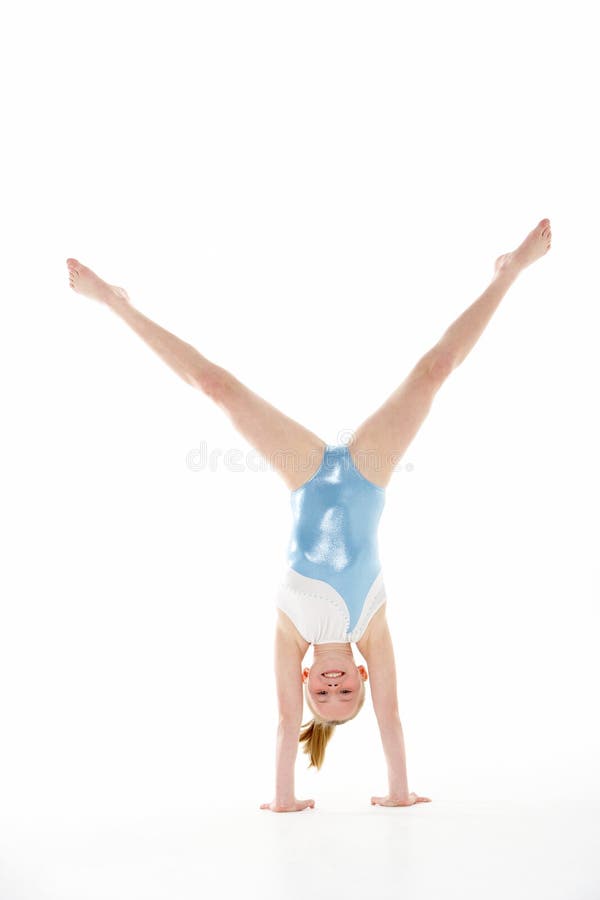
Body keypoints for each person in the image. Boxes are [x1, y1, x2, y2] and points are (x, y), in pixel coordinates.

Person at [66, 217, 552, 814]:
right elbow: (393, 717)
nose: (333, 686)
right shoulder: (369, 627)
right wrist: (399, 794)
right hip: (367, 475)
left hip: (307, 477)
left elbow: (283, 722)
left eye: (326, 696)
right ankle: (509, 273)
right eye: (346, 690)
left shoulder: (290, 634)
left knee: (217, 387)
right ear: (360, 678)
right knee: (433, 372)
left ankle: (115, 303)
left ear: (307, 685)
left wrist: (285, 800)